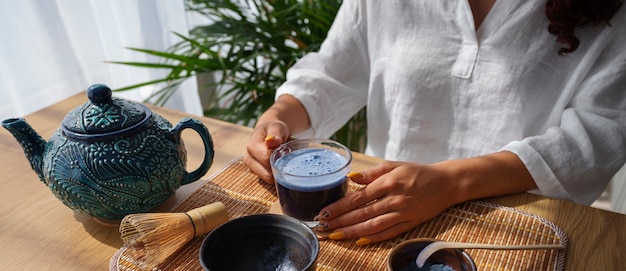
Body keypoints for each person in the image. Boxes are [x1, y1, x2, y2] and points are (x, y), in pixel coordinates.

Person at [243, 0, 626, 246]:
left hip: (513, 231)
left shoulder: (609, 12)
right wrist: (279, 117)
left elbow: (599, 133)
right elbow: (332, 74)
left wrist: (451, 182)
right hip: (383, 212)